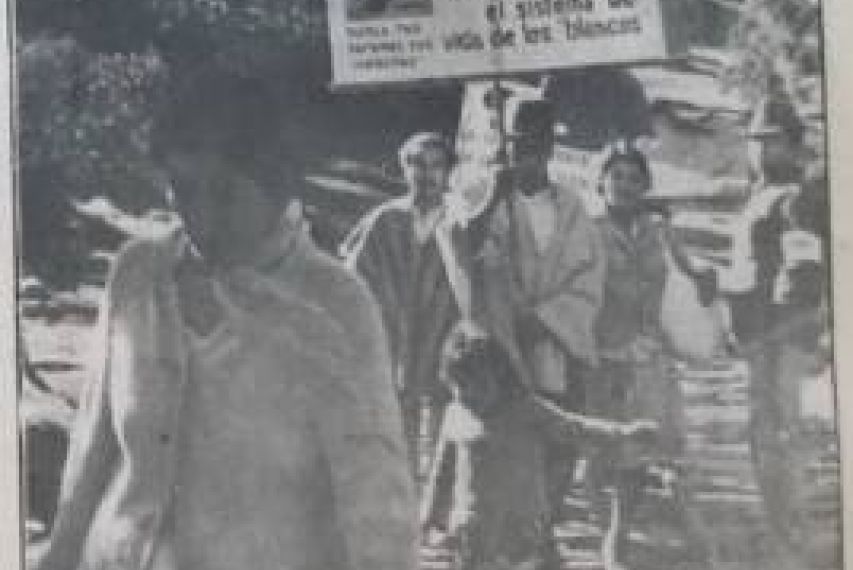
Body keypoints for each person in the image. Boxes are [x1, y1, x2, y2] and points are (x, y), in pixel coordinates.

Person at [28, 65, 418, 570]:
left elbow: (379, 514)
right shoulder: (137, 275)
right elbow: (91, 457)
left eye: (226, 193)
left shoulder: (338, 303)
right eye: (184, 189)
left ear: (275, 183)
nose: (202, 215)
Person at [445, 96, 608, 570]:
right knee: (497, 452)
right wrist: (494, 195)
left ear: (551, 148)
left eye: (538, 145)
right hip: (500, 353)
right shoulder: (483, 196)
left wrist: (549, 318)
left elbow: (587, 276)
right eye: (519, 144)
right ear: (506, 145)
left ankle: (541, 534)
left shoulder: (573, 207)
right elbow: (463, 251)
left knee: (557, 445)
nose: (529, 155)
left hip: (556, 348)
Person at [341, 132, 463, 492]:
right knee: (397, 411)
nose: (426, 175)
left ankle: (437, 499)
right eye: (417, 165)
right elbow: (355, 276)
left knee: (443, 412)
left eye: (436, 166)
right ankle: (401, 489)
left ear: (448, 172)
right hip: (396, 330)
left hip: (442, 330)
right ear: (404, 169)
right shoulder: (386, 219)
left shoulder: (459, 221)